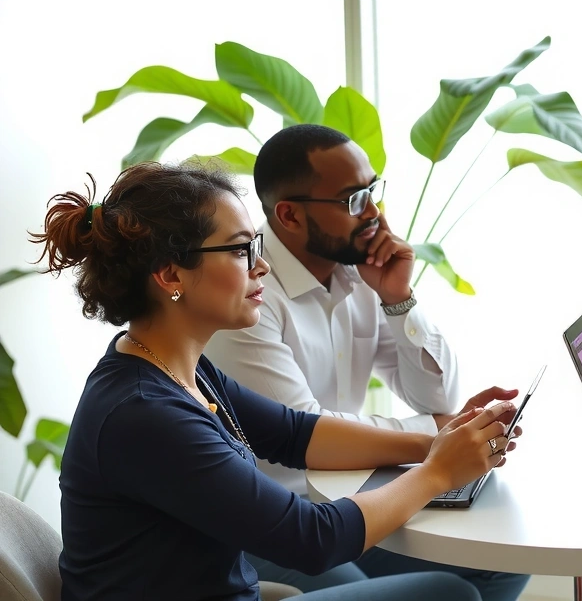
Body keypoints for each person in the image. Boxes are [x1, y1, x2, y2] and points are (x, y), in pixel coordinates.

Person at [34, 162, 518, 601]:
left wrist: (439, 441)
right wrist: (436, 472)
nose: (261, 265)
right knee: (446, 593)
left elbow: (297, 434)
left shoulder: (176, 367)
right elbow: (311, 539)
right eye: (242, 250)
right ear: (170, 274)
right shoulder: (143, 414)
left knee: (493, 564)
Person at [204, 124, 530, 599]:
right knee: (434, 589)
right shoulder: (247, 297)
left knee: (502, 559)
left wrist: (398, 298)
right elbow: (303, 431)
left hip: (348, 492)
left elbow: (436, 396)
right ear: (290, 215)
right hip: (276, 517)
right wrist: (436, 438)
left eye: (374, 189)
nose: (375, 212)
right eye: (354, 199)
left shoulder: (357, 271)